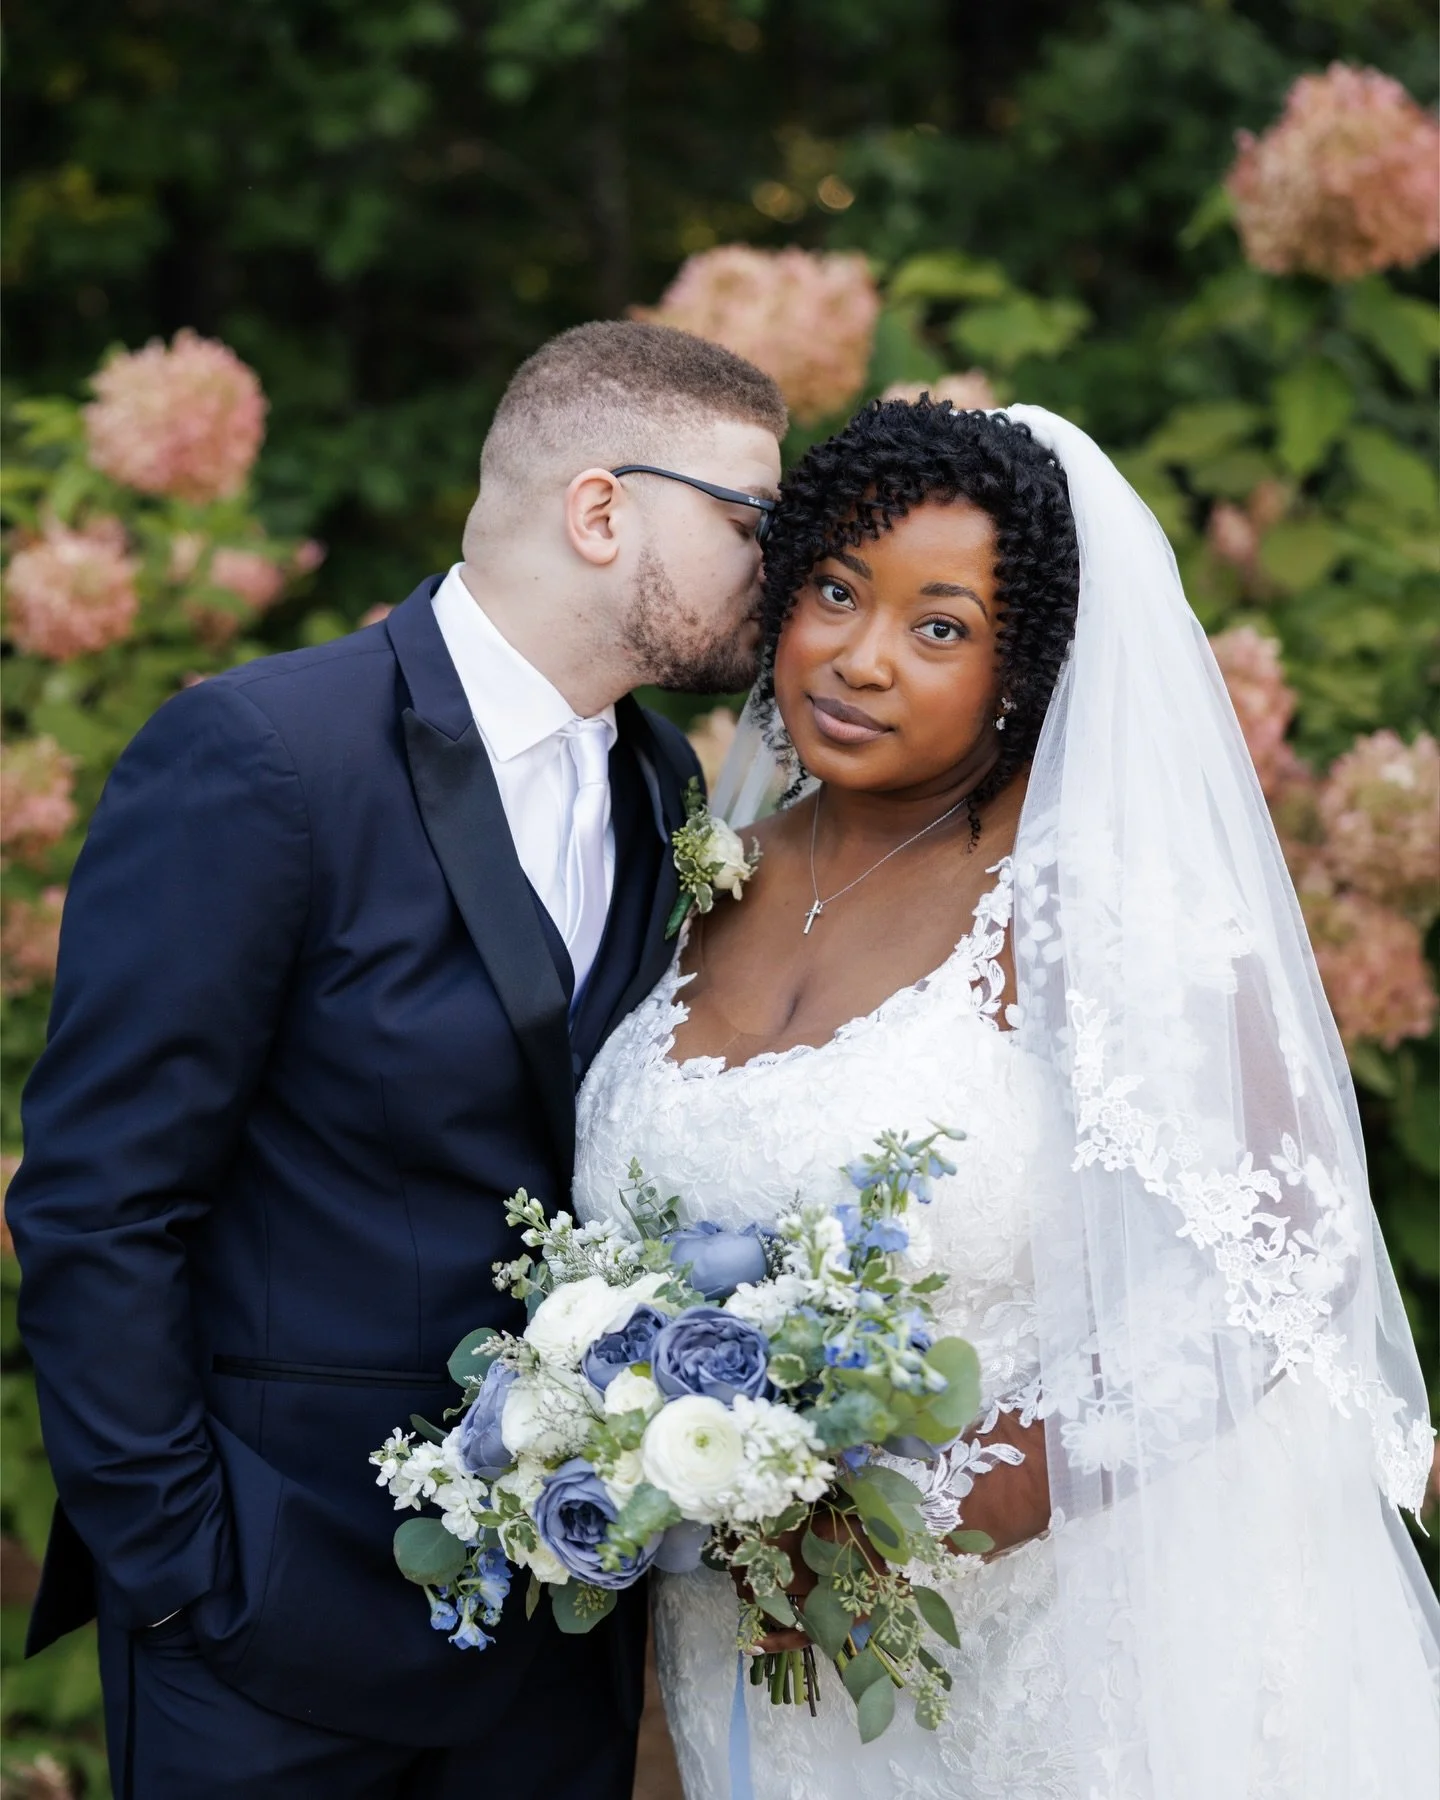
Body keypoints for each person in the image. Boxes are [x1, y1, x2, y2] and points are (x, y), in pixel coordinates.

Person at [574, 398, 1440, 1799]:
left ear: (1022, 665)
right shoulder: (700, 868)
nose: (859, 660)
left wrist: (926, 1509)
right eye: (836, 592)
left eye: (940, 627)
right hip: (744, 1650)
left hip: (1056, 1653)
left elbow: (1281, 1254)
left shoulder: (1083, 897)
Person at [7, 320, 785, 1800]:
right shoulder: (262, 757)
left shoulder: (662, 782)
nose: (783, 557)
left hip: (554, 1647)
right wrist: (186, 1574)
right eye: (750, 517)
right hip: (268, 1635)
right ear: (602, 509)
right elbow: (98, 1209)